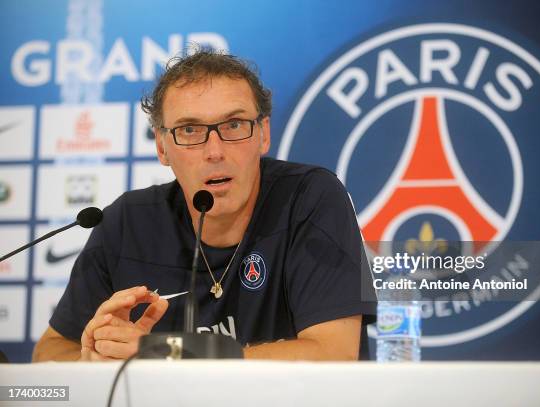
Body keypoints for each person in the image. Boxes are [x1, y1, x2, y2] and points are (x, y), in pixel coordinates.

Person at [33, 48, 373, 362]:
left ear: (263, 134)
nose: (215, 151)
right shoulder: (126, 222)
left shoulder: (310, 198)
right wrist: (93, 357)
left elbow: (334, 353)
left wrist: (163, 354)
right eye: (190, 130)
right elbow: (49, 351)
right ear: (163, 148)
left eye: (234, 125)